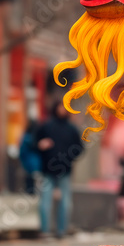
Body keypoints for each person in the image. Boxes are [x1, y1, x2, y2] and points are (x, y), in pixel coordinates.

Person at [35, 101, 84, 238]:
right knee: (45, 202)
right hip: (47, 169)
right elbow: (33, 142)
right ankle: (45, 231)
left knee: (66, 203)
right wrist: (40, 145)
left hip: (65, 170)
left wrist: (68, 158)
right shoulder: (46, 126)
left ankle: (62, 231)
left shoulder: (72, 129)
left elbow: (80, 148)